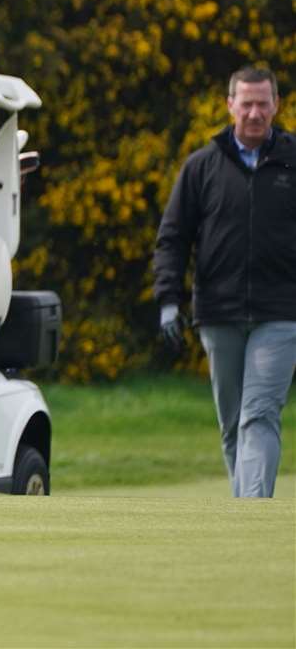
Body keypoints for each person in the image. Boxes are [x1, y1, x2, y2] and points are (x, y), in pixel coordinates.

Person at [153, 66, 295, 498]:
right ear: (230, 105)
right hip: (219, 311)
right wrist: (168, 301)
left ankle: (252, 513)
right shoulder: (201, 166)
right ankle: (245, 513)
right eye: (246, 103)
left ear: (276, 106)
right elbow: (173, 238)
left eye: (263, 103)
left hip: (282, 312)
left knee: (259, 413)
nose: (255, 112)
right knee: (232, 422)